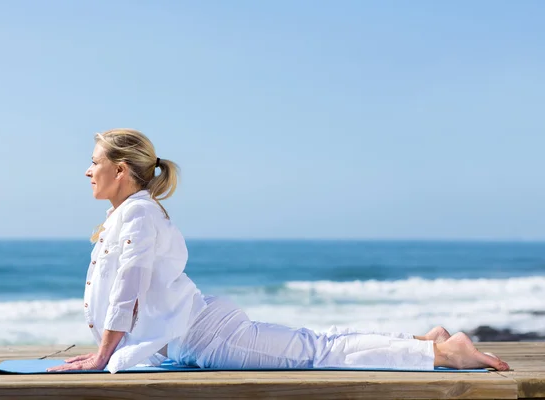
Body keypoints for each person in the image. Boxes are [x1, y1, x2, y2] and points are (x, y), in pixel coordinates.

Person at [47, 129, 510, 374]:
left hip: (208, 337)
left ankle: (443, 355)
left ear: (121, 169)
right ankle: (423, 342)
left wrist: (103, 355)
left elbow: (129, 287)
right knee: (317, 343)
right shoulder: (129, 213)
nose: (87, 171)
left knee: (318, 352)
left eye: (94, 162)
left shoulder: (138, 214)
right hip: (197, 334)